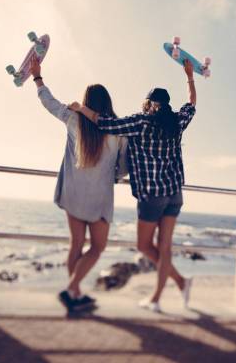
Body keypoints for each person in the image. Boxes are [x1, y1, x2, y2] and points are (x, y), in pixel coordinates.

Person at [69, 59, 197, 312]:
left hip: (152, 196)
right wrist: (189, 76)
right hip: (174, 193)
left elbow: (105, 124)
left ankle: (175, 285)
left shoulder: (140, 122)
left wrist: (81, 108)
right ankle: (165, 293)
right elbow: (191, 104)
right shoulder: (177, 122)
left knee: (143, 246)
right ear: (167, 105)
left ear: (149, 103)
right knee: (165, 247)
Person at [29, 56, 128, 312]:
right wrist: (114, 177)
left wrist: (37, 77)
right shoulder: (119, 130)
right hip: (100, 198)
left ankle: (73, 292)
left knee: (76, 245)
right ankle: (73, 290)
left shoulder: (73, 118)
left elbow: (48, 102)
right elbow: (124, 167)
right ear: (108, 103)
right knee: (97, 247)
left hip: (73, 194)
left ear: (86, 102)